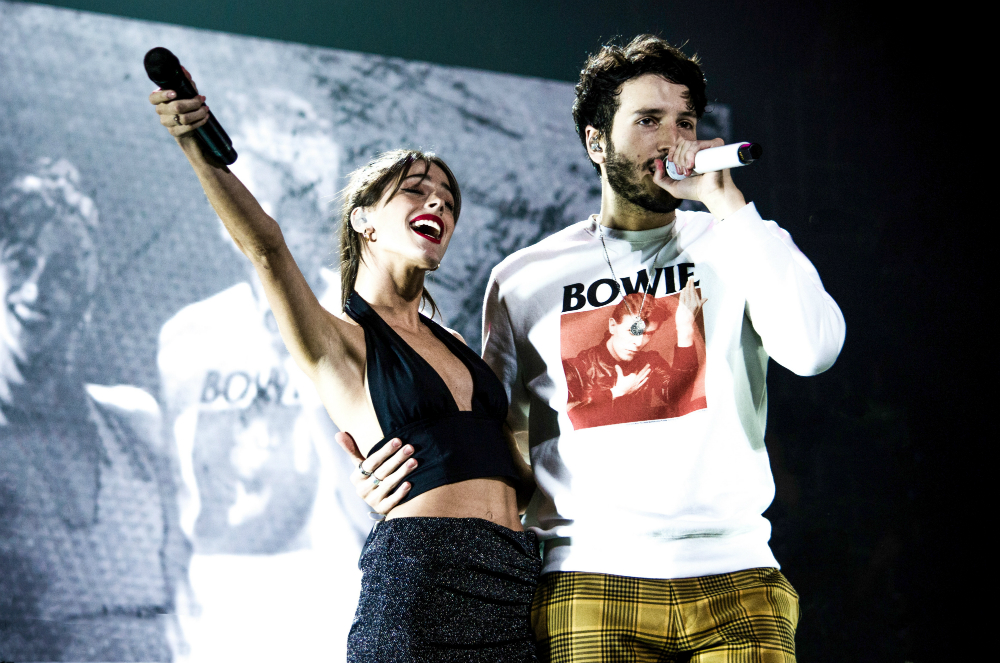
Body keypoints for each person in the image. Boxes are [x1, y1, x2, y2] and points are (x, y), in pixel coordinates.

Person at [362, 34, 846, 662]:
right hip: (588, 581)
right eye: (647, 120)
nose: (672, 139)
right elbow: (501, 434)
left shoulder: (735, 237)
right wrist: (412, 481)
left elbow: (814, 350)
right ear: (596, 141)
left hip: (738, 578)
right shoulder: (525, 277)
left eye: (685, 122)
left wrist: (728, 202)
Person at [148, 73, 539, 662]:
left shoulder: (458, 341)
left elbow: (511, 467)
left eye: (448, 200)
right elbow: (267, 247)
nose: (438, 202)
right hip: (420, 587)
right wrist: (196, 148)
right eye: (415, 190)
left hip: (511, 584)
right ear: (364, 221)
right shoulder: (339, 340)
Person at [0, 159, 180, 661]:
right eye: (20, 259)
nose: (38, 288)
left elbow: (182, 587)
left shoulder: (134, 421)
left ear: (88, 288)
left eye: (62, 269)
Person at [563, 281, 704, 429]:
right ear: (612, 326)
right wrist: (616, 393)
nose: (638, 342)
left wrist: (684, 330)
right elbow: (571, 423)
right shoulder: (576, 367)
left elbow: (678, 398)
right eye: (632, 331)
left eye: (648, 334)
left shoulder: (650, 362)